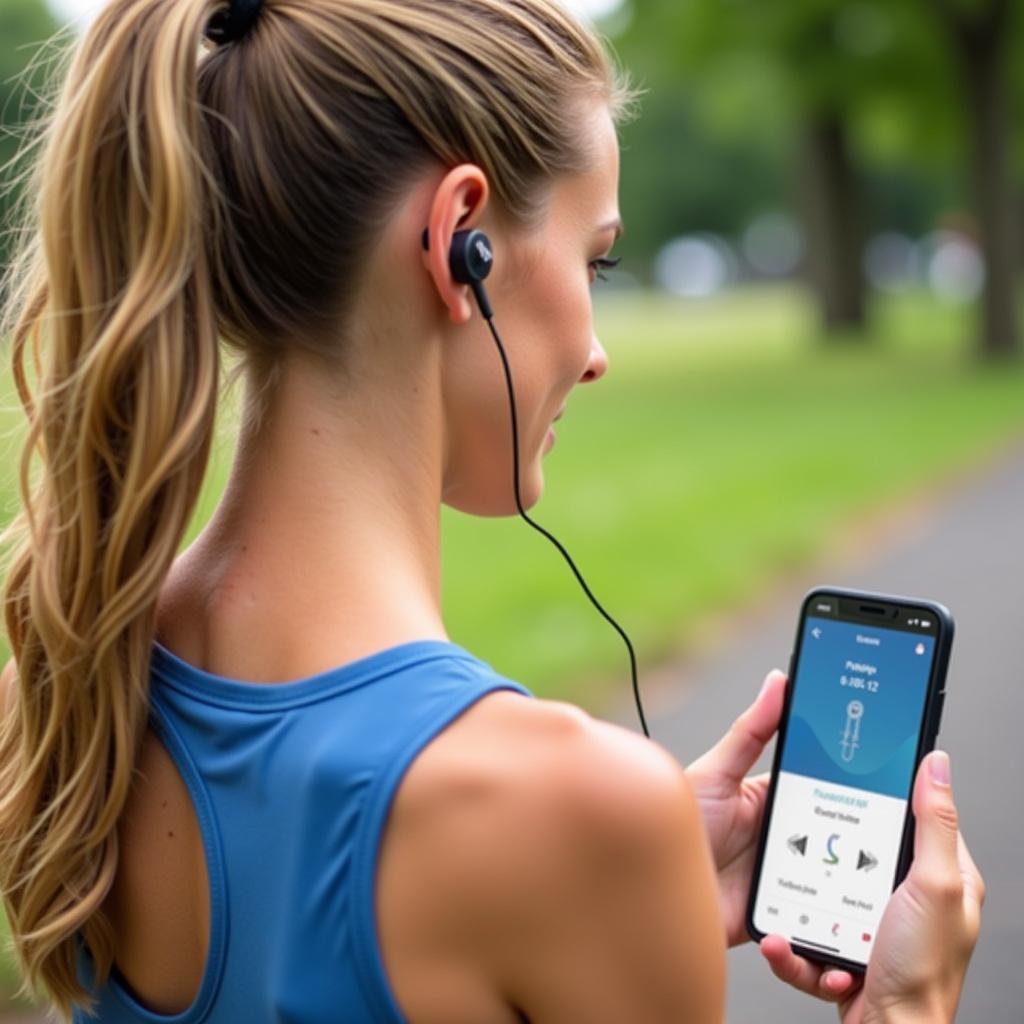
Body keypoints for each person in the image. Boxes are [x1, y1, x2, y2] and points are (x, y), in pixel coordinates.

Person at [0, 0, 983, 1021]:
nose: (597, 350)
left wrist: (612, 880)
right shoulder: (567, 812)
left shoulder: (63, 697)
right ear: (456, 238)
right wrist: (905, 1007)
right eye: (593, 258)